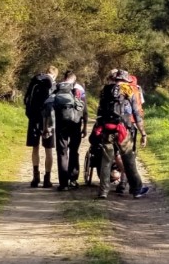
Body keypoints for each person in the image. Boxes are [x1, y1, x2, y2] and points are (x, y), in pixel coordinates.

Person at [91, 69, 149, 201]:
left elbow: (99, 111)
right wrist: (143, 133)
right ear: (125, 79)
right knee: (129, 160)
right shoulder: (128, 90)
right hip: (123, 130)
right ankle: (136, 189)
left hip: (106, 129)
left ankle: (103, 191)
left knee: (106, 161)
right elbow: (136, 114)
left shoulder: (105, 90)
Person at [47, 71, 88, 191]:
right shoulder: (79, 89)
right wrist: (85, 126)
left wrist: (49, 124)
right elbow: (84, 109)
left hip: (61, 123)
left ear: (64, 78)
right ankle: (73, 179)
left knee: (62, 152)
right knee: (74, 150)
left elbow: (50, 104)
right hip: (75, 123)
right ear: (74, 79)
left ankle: (63, 183)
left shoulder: (57, 87)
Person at [23, 65, 58, 187]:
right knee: (48, 151)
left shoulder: (35, 81)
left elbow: (26, 99)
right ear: (54, 75)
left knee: (35, 148)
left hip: (33, 119)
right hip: (47, 120)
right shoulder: (52, 83)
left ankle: (35, 177)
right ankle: (47, 179)